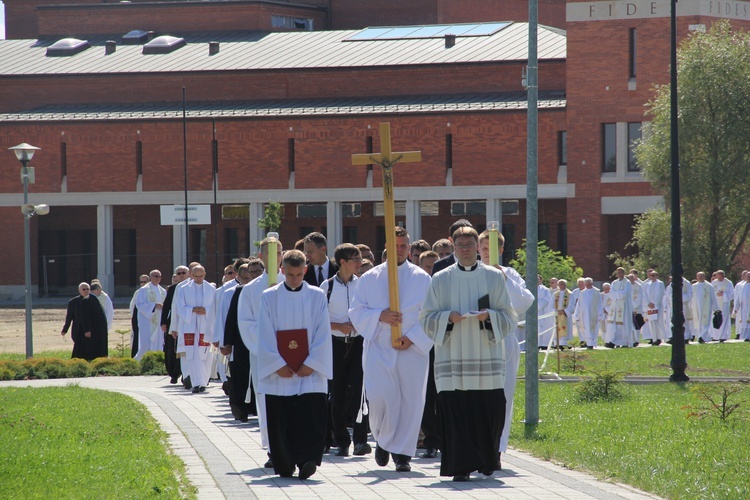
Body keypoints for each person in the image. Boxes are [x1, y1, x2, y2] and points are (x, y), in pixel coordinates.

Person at [420, 227, 517, 482]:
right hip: (452, 357)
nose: (465, 249)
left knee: (489, 409)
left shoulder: (494, 278)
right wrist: (447, 318)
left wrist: (490, 316)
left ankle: (486, 460)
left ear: (478, 247)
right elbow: (425, 318)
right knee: (456, 412)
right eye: (460, 245)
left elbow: (509, 317)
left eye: (470, 244)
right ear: (454, 247)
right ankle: (460, 466)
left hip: (486, 356)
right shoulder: (440, 279)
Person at [349, 226, 433, 473]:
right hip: (380, 346)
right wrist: (380, 316)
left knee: (410, 400)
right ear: (387, 247)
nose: (399, 250)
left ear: (409, 247)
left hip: (411, 349)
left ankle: (403, 454)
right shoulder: (370, 278)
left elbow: (430, 315)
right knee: (381, 397)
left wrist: (413, 337)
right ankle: (384, 440)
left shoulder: (422, 278)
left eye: (403, 246)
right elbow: (356, 312)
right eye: (395, 246)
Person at [257, 249, 333, 480]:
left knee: (310, 415)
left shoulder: (317, 295)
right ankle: (285, 462)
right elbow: (265, 333)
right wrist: (276, 363)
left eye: (299, 274)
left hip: (309, 370)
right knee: (282, 418)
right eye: (290, 275)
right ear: (282, 270)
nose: (295, 279)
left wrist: (312, 362)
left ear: (305, 270)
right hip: (280, 371)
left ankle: (308, 460)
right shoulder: (269, 296)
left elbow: (323, 332)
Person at [477, 229, 533, 470]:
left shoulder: (509, 274)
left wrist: (504, 278)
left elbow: (524, 302)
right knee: (475, 396)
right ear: (478, 249)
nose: (487, 253)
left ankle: (497, 449)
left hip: (503, 341)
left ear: (500, 251)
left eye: (492, 249)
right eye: (483, 248)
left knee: (503, 397)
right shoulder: (467, 273)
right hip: (474, 341)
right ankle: (476, 448)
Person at [237, 237, 284, 467]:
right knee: (266, 400)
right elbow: (246, 324)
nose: (275, 258)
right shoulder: (250, 290)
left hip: (293, 356)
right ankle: (272, 449)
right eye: (270, 254)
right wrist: (268, 344)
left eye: (279, 253)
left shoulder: (295, 282)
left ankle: (291, 445)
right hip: (263, 357)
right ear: (261, 257)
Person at [326, 243, 371, 457]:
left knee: (360, 393)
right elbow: (318, 320)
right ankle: (341, 441)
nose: (359, 262)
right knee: (337, 394)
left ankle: (361, 441)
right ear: (342, 262)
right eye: (355, 258)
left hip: (358, 343)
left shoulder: (363, 285)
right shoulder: (326, 287)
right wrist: (338, 327)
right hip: (335, 345)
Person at [222, 261, 260, 421]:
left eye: (257, 271)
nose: (254, 275)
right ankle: (240, 409)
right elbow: (231, 318)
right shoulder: (240, 291)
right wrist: (228, 342)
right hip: (241, 338)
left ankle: (255, 408)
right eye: (251, 272)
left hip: (262, 339)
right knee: (240, 375)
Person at [175, 265, 216, 393]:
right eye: (196, 276)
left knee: (204, 354)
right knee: (192, 354)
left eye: (201, 276)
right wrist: (191, 309)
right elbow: (179, 307)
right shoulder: (183, 289)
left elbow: (216, 307)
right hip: (190, 325)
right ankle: (195, 382)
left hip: (205, 325)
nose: (199, 279)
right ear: (191, 275)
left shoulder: (211, 289)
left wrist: (206, 310)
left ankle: (203, 382)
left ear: (205, 274)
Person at [161, 265, 189, 384]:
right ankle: (173, 373)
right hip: (173, 321)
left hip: (187, 322)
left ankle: (185, 373)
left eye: (183, 272)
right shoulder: (172, 289)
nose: (181, 275)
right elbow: (166, 306)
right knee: (171, 348)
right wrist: (163, 322)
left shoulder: (191, 288)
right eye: (179, 273)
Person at [135, 269, 166, 360]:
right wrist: (154, 305)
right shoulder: (144, 289)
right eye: (155, 276)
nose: (157, 278)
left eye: (159, 276)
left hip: (159, 320)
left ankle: (157, 361)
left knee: (159, 342)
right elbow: (139, 304)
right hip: (147, 321)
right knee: (146, 343)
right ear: (151, 277)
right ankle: (141, 361)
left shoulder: (163, 291)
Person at [78, 282, 110, 360]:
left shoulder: (94, 299)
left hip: (99, 329)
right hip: (93, 330)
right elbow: (85, 316)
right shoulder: (86, 300)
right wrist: (87, 329)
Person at [604, 267, 633, 348]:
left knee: (623, 324)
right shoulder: (614, 282)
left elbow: (624, 294)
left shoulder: (627, 282)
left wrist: (616, 294)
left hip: (624, 306)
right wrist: (617, 294)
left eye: (621, 272)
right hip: (615, 306)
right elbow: (611, 293)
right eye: (618, 273)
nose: (619, 274)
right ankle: (613, 341)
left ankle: (624, 342)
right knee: (614, 324)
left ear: (624, 273)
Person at [61, 282, 89, 359]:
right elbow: (69, 317)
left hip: (90, 329)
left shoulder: (92, 301)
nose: (86, 291)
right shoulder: (73, 302)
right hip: (77, 328)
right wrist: (65, 329)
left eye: (87, 289)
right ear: (79, 290)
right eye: (83, 289)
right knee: (78, 347)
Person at [573, 278, 602, 349]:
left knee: (592, 329)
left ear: (591, 283)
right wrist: (576, 314)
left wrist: (600, 314)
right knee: (586, 329)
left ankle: (591, 344)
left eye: (588, 283)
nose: (586, 285)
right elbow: (578, 304)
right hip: (584, 315)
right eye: (586, 283)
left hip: (593, 314)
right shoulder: (582, 292)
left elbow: (600, 304)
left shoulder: (596, 292)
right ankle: (588, 343)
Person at [692, 272, 719, 343]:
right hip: (696, 307)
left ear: (704, 277)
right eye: (698, 276)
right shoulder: (694, 286)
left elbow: (713, 297)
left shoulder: (709, 286)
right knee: (698, 323)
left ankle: (702, 337)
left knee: (705, 322)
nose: (700, 278)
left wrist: (716, 308)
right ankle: (702, 336)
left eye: (701, 276)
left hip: (706, 307)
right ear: (696, 277)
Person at [641, 270, 667, 345]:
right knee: (651, 322)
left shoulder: (660, 283)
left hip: (657, 306)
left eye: (654, 275)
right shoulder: (647, 284)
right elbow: (644, 295)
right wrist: (648, 303)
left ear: (657, 276)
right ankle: (654, 338)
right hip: (650, 306)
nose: (652, 277)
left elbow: (661, 293)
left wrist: (654, 303)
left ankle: (659, 338)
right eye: (651, 275)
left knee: (658, 322)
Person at [711, 270, 734, 342]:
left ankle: (723, 336)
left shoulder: (728, 283)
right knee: (715, 319)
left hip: (724, 304)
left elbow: (732, 294)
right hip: (715, 304)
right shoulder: (714, 282)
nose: (718, 277)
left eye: (720, 276)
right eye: (717, 275)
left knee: (724, 319)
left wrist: (723, 294)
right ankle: (715, 336)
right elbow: (711, 292)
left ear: (723, 276)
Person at [129, 274, 149, 357]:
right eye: (141, 282)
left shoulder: (151, 291)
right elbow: (132, 306)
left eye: (145, 281)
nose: (143, 283)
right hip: (139, 318)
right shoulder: (138, 292)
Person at [537, 276, 555, 349]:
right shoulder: (527, 288)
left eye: (537, 280)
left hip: (541, 312)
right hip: (529, 311)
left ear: (540, 281)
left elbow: (547, 300)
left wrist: (536, 304)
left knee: (540, 328)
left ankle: (539, 345)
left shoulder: (544, 290)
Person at [553, 279, 572, 348]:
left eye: (563, 284)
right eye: (560, 284)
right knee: (557, 328)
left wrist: (564, 311)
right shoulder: (555, 294)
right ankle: (557, 343)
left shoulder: (570, 294)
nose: (561, 286)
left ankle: (565, 343)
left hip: (565, 314)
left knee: (566, 327)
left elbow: (571, 305)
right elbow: (551, 305)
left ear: (565, 285)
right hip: (557, 314)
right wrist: (556, 311)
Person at [733, 271, 750, 341]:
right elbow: (739, 297)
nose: (748, 277)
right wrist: (736, 308)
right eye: (747, 276)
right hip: (744, 308)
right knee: (745, 322)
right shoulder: (743, 286)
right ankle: (746, 337)